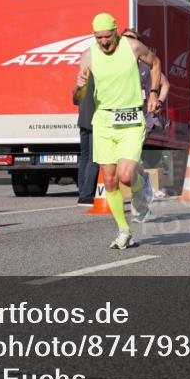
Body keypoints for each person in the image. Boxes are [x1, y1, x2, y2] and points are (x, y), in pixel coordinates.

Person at [74, 13, 161, 249]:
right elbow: (77, 97)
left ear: (116, 32)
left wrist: (153, 93)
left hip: (131, 119)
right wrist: (80, 86)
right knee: (110, 180)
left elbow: (155, 63)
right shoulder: (88, 56)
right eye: (98, 37)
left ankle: (140, 186)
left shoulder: (132, 46)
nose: (103, 42)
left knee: (125, 175)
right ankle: (124, 231)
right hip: (103, 121)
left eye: (107, 36)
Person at [121, 28, 170, 220]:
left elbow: (165, 84)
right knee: (124, 159)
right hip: (122, 114)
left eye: (132, 39)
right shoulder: (118, 61)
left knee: (133, 154)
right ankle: (144, 180)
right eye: (124, 39)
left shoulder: (145, 62)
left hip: (142, 114)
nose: (129, 43)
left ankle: (139, 199)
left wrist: (157, 99)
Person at [72, 74, 98, 207]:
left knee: (84, 158)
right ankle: (86, 195)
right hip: (95, 122)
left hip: (83, 121)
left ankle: (82, 191)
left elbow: (75, 99)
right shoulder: (100, 76)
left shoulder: (84, 78)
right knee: (94, 159)